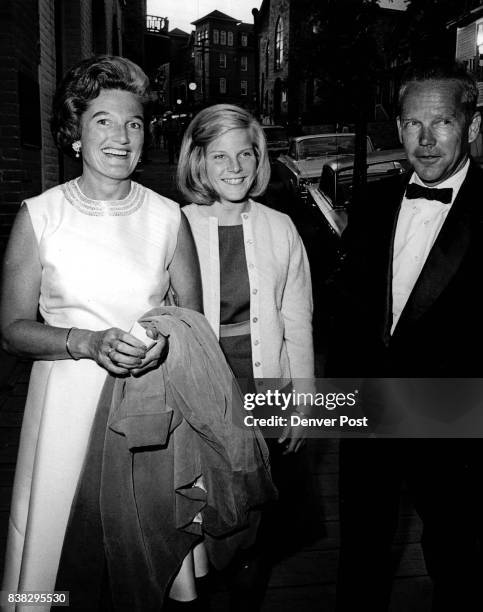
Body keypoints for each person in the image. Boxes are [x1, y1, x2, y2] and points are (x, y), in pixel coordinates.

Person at [0, 55, 201, 610]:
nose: (121, 136)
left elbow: (192, 321)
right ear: (75, 134)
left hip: (147, 403)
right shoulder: (40, 215)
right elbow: (13, 331)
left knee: (142, 559)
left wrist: (166, 341)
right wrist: (85, 343)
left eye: (133, 123)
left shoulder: (167, 216)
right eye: (103, 121)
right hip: (66, 404)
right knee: (60, 554)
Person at [328, 60, 483, 611]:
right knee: (361, 554)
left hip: (455, 416)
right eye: (412, 123)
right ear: (397, 128)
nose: (424, 139)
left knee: (456, 560)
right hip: (369, 409)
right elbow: (349, 310)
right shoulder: (371, 204)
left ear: (471, 125)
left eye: (440, 123)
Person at [178, 104, 315, 608]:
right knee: (211, 520)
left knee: (259, 527)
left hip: (268, 392)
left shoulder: (281, 227)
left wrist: (304, 403)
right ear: (199, 163)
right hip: (204, 398)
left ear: (259, 161)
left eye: (245, 154)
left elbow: (298, 319)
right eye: (219, 155)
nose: (234, 167)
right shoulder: (178, 226)